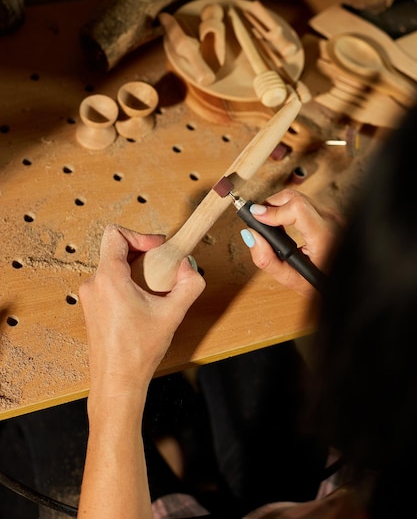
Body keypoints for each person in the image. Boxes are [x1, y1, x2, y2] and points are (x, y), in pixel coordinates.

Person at [77, 101, 417, 519]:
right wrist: (346, 292)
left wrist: (117, 385)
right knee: (254, 357)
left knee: (67, 419)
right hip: (322, 491)